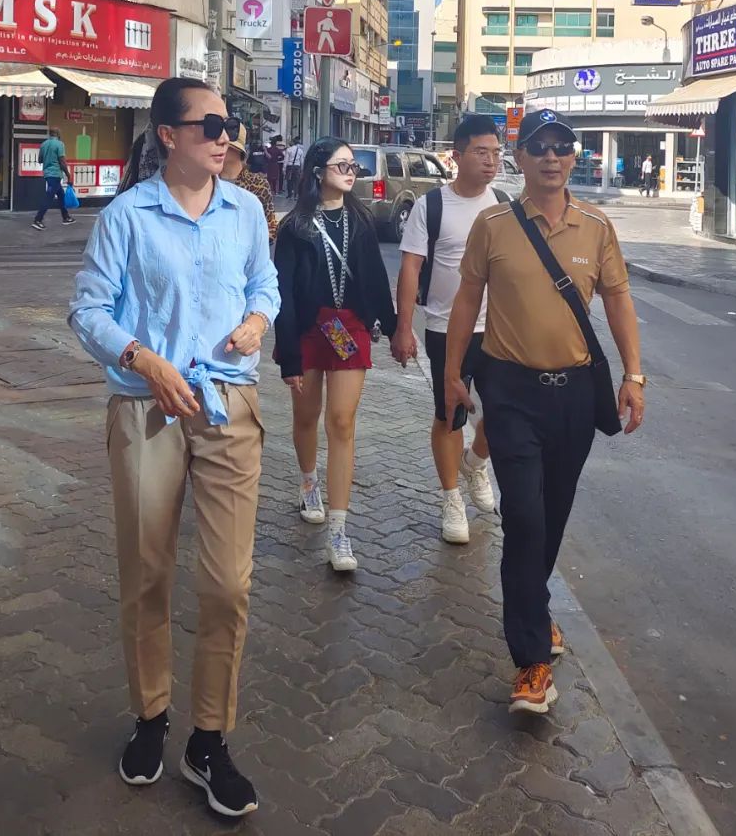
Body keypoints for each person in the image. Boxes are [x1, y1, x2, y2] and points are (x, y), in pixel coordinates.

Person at [69, 77, 280, 820]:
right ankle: (151, 716)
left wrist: (257, 319)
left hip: (228, 404)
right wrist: (144, 361)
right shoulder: (127, 216)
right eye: (209, 126)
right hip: (144, 406)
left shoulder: (245, 210)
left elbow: (265, 283)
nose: (225, 137)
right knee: (147, 570)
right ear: (168, 135)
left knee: (227, 583)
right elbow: (88, 308)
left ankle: (209, 739)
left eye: (229, 126)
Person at [444, 109, 646, 717]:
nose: (551, 157)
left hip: (575, 394)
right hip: (509, 390)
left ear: (573, 157)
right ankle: (531, 661)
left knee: (552, 515)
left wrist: (634, 376)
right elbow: (467, 300)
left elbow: (618, 300)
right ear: (521, 158)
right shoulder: (493, 224)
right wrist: (453, 375)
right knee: (524, 517)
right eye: (539, 147)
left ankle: (536, 609)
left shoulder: (597, 227)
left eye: (562, 147)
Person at [273, 138, 399, 572]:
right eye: (341, 165)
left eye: (353, 166)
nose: (350, 172)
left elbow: (376, 278)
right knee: (306, 415)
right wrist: (289, 356)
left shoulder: (360, 220)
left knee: (342, 422)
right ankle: (309, 483)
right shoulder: (294, 227)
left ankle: (339, 530)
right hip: (308, 329)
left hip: (350, 327)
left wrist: (395, 328)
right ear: (317, 170)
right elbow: (284, 294)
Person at [393, 114, 499, 544]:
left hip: (498, 329)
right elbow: (410, 268)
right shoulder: (431, 206)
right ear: (456, 156)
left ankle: (475, 463)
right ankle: (451, 496)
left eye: (496, 153)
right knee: (449, 416)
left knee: (503, 413)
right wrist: (404, 328)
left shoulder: (504, 204)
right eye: (481, 152)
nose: (490, 161)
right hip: (444, 328)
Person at [223, 123, 277, 241]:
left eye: (227, 146)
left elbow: (271, 226)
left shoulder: (258, 184)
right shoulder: (206, 183)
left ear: (239, 150)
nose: (220, 148)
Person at [32, 128, 76, 230]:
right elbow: (62, 161)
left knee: (61, 195)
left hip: (47, 173)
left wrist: (48, 158)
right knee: (49, 197)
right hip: (55, 174)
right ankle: (37, 220)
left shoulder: (44, 144)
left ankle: (66, 217)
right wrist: (68, 175)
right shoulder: (59, 144)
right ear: (58, 134)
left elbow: (40, 160)